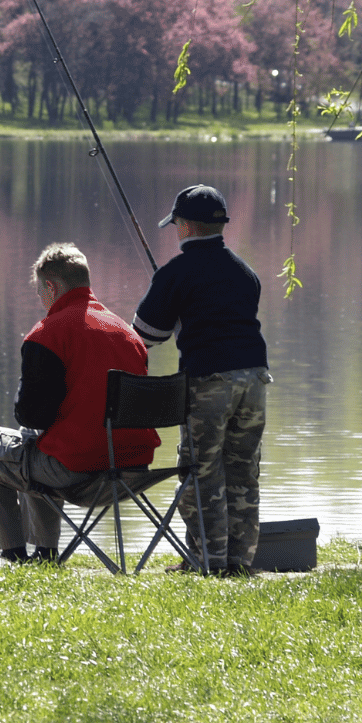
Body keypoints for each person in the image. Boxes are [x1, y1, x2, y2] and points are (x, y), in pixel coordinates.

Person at [0, 242, 158, 562]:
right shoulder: (128, 334)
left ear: (51, 286)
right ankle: (43, 552)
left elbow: (31, 413)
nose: (40, 298)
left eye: (39, 290)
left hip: (77, 473)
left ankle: (9, 553)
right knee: (35, 443)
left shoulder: (47, 334)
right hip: (132, 470)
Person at [131, 184, 271, 576]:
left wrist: (170, 306)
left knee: (201, 473)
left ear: (187, 226)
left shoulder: (176, 272)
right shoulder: (246, 273)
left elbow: (144, 336)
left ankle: (207, 562)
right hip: (256, 380)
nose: (175, 231)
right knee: (243, 471)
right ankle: (238, 563)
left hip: (210, 381)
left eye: (176, 224)